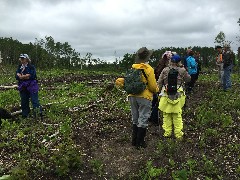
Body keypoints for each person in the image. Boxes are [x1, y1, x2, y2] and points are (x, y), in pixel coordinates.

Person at [115, 47, 159, 149]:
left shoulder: (133, 68)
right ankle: (140, 143)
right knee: (143, 118)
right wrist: (157, 90)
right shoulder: (149, 69)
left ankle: (134, 141)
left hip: (132, 96)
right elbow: (152, 87)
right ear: (147, 57)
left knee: (135, 118)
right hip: (144, 97)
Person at [158, 54, 191, 140]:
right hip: (178, 94)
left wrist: (158, 91)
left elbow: (159, 82)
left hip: (166, 93)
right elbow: (188, 79)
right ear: (179, 62)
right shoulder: (182, 70)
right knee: (177, 115)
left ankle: (167, 132)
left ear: (171, 61)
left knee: (166, 114)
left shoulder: (165, 70)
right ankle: (178, 134)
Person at [16, 54, 43, 119]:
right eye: (21, 58)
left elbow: (32, 75)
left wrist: (23, 76)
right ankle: (25, 115)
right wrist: (21, 76)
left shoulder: (31, 67)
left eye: (23, 58)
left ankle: (38, 114)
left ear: (27, 59)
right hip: (23, 86)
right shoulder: (20, 67)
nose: (22, 60)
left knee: (34, 100)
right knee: (24, 101)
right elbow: (17, 76)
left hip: (32, 85)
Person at [149, 51, 172, 125]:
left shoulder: (159, 65)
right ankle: (155, 120)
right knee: (158, 104)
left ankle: (151, 117)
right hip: (162, 87)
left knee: (154, 103)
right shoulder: (168, 68)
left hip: (155, 86)